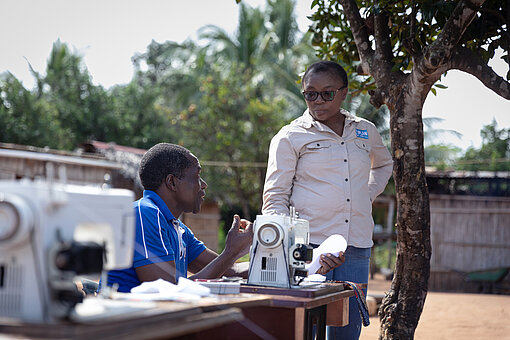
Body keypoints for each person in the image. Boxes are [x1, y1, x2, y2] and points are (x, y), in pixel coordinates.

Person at [262, 60, 393, 339]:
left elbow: (383, 165)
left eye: (327, 93)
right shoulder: (290, 136)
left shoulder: (365, 130)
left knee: (346, 329)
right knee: (303, 328)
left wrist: (366, 195)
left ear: (344, 92)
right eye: (311, 93)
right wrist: (283, 249)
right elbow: (275, 196)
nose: (318, 100)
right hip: (307, 248)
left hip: (356, 246)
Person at [105, 143, 253, 292]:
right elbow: (168, 292)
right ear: (172, 182)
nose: (203, 185)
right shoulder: (144, 214)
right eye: (197, 176)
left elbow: (231, 270)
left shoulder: (178, 228)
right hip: (126, 314)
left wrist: (253, 250)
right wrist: (230, 252)